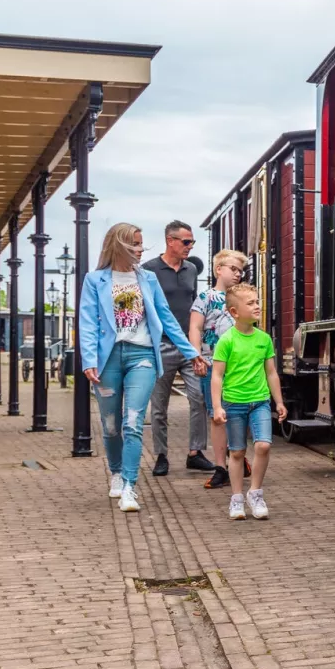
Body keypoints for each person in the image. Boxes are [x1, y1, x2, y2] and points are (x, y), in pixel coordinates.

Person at [78, 223, 204, 512]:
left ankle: (130, 487)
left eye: (141, 244)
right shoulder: (95, 280)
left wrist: (191, 352)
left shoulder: (147, 278)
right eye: (135, 244)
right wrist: (89, 360)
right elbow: (87, 322)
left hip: (143, 356)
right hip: (107, 359)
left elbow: (166, 318)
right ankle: (117, 472)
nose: (140, 249)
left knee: (132, 423)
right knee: (110, 426)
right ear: (119, 245)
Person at [209, 283, 287, 520]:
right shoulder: (226, 341)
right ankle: (236, 499)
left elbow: (271, 373)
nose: (257, 306)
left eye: (257, 301)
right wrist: (217, 406)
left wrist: (279, 402)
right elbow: (217, 376)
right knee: (237, 452)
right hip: (234, 404)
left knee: (263, 445)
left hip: (260, 402)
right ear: (234, 312)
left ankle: (255, 492)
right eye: (251, 303)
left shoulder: (264, 340)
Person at [143, 219, 215, 478]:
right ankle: (161, 456)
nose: (190, 246)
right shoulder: (148, 270)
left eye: (192, 242)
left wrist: (198, 346)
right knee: (159, 406)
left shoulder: (191, 270)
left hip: (188, 346)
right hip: (160, 346)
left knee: (198, 398)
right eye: (186, 242)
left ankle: (195, 453)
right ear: (170, 241)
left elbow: (194, 306)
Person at [190, 248, 249, 490]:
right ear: (218, 270)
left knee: (239, 412)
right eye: (233, 269)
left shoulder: (242, 297)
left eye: (241, 271)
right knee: (217, 416)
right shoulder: (205, 298)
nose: (238, 274)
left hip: (240, 365)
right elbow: (195, 327)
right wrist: (196, 356)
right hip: (212, 363)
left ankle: (236, 457)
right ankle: (220, 467)